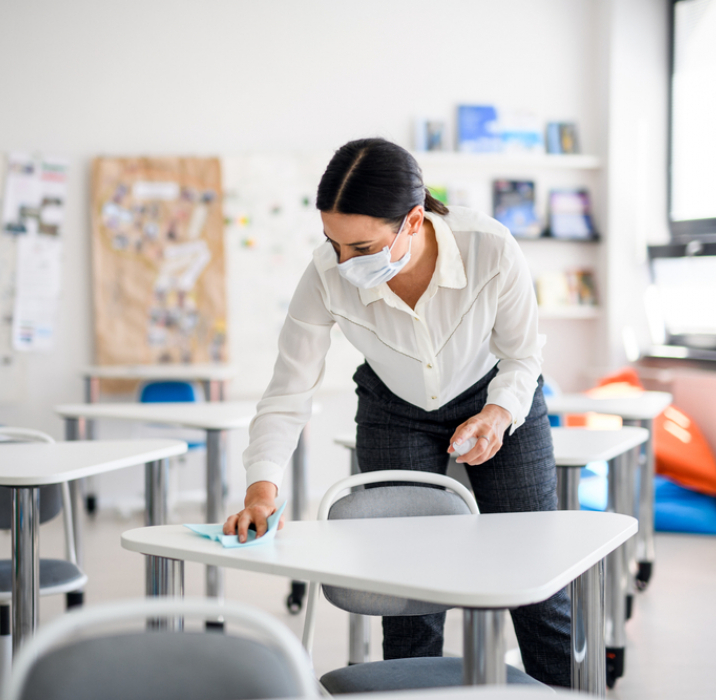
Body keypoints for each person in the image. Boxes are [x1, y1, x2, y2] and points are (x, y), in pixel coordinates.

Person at [223, 137, 570, 686]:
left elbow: (523, 355)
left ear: (413, 220)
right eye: (332, 243)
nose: (343, 262)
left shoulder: (490, 247)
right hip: (394, 409)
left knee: (538, 585)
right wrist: (261, 487)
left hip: (497, 400)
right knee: (407, 592)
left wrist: (499, 415)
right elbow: (289, 391)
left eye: (362, 248)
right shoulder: (324, 276)